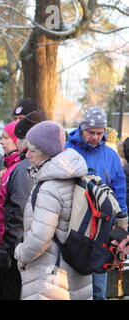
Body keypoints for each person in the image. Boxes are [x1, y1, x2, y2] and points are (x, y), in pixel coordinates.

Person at [14, 120, 93, 300]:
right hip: (77, 272)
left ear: (46, 153)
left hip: (50, 279)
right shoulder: (78, 178)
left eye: (32, 150)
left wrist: (21, 253)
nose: (27, 155)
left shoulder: (50, 187)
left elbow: (40, 238)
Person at [65, 106, 128, 300]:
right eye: (91, 132)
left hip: (102, 228)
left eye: (100, 133)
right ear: (82, 129)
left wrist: (123, 222)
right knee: (70, 285)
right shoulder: (68, 150)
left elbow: (119, 188)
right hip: (73, 225)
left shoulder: (110, 155)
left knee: (98, 286)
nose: (95, 137)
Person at [0, 110, 47, 300]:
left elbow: (19, 212)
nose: (1, 142)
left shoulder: (24, 169)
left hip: (15, 250)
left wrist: (6, 250)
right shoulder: (19, 166)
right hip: (12, 246)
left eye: (9, 137)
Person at [0, 121, 20, 249]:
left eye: (6, 138)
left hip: (8, 243)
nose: (1, 142)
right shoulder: (8, 166)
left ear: (16, 139)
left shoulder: (18, 169)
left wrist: (5, 244)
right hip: (0, 239)